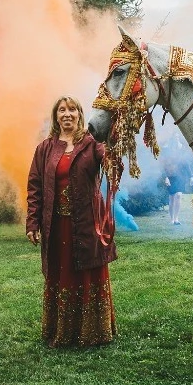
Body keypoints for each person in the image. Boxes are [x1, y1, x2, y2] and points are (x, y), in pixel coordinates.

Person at [26, 96, 117, 347]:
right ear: (56, 116)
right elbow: (35, 186)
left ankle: (92, 332)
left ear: (80, 115)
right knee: (61, 273)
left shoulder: (91, 144)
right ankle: (62, 331)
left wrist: (111, 147)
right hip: (56, 225)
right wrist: (33, 223)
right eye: (62, 110)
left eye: (72, 109)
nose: (67, 114)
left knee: (87, 273)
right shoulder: (45, 148)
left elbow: (108, 162)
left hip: (87, 224)